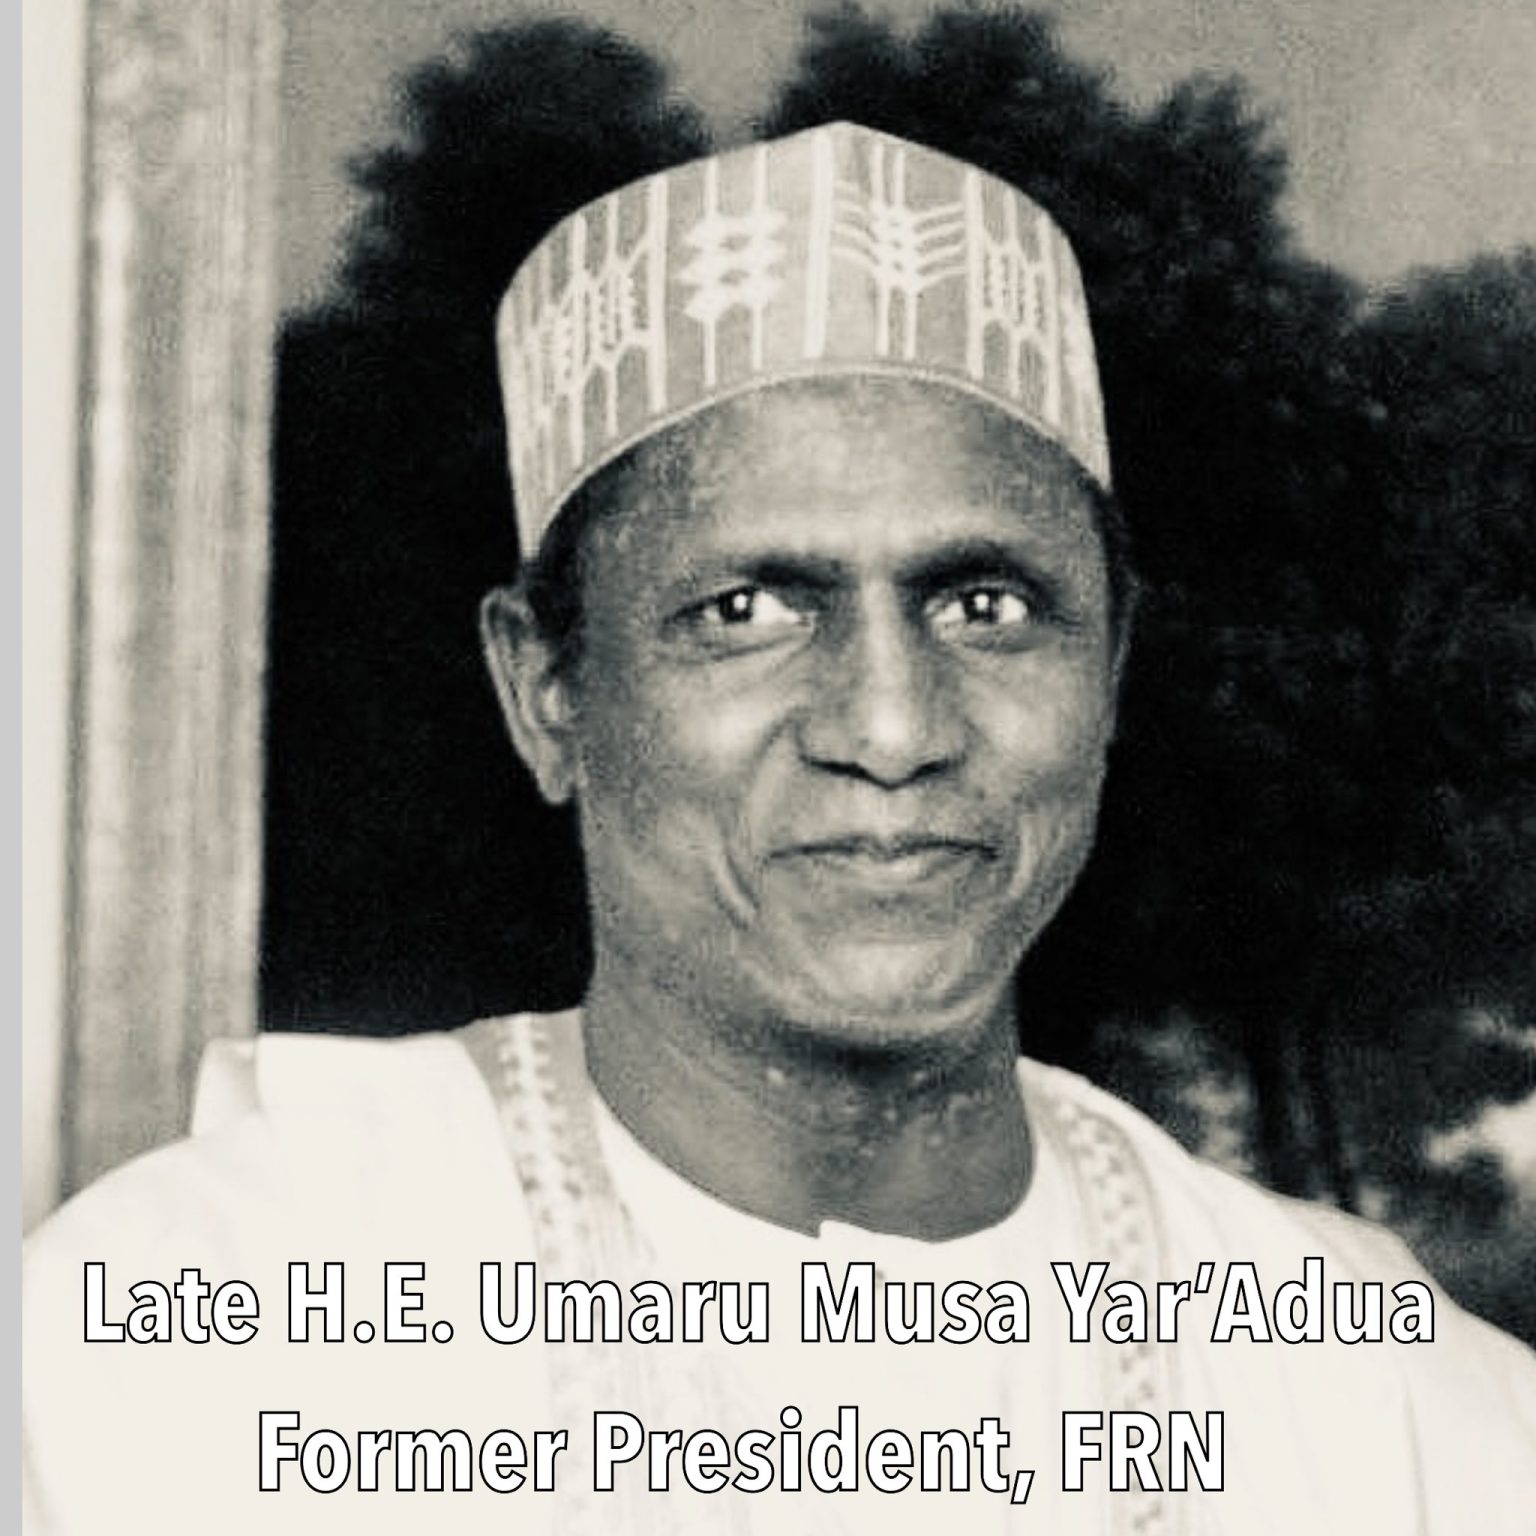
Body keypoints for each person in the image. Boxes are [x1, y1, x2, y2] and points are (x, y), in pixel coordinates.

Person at [23, 122, 1536, 1535]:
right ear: (546, 690)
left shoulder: (1387, 1403)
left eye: (986, 604)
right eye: (744, 609)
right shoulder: (205, 1328)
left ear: (1113, 669)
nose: (890, 728)